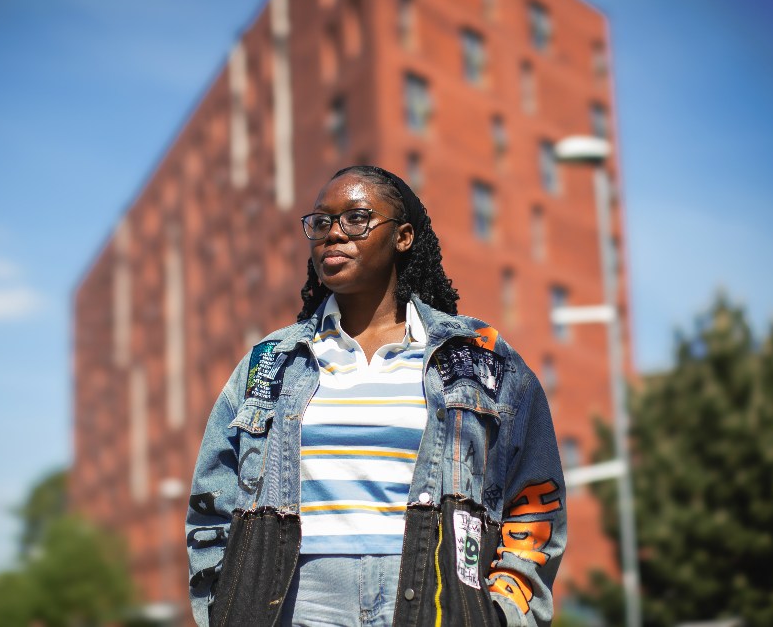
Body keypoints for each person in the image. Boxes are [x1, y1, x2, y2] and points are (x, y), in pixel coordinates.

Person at [186, 165, 566, 627]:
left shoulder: (479, 358)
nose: (333, 234)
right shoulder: (271, 363)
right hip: (293, 601)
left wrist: (503, 613)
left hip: (436, 596)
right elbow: (212, 502)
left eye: (356, 219)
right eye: (321, 223)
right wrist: (223, 609)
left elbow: (535, 497)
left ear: (403, 236)